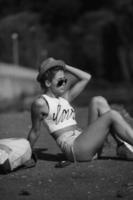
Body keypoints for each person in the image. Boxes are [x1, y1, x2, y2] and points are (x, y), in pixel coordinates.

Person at [27, 57, 133, 163]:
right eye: (60, 81)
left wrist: (63, 66)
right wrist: (27, 152)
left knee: (98, 101)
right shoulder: (41, 103)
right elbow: (35, 131)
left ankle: (121, 145)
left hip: (86, 142)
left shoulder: (64, 99)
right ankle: (122, 145)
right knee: (112, 115)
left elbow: (86, 77)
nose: (64, 83)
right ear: (48, 83)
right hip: (75, 149)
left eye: (64, 80)